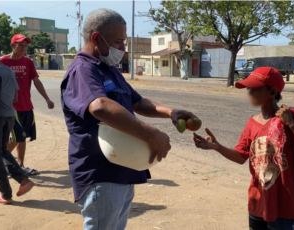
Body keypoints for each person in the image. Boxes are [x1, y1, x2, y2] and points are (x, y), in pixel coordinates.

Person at [61, 9, 199, 230]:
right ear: (96, 38)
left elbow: (136, 102)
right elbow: (100, 106)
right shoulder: (83, 70)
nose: (123, 49)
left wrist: (169, 111)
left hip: (122, 168)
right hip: (100, 173)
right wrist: (150, 134)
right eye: (118, 42)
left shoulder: (109, 70)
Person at [193, 67, 294, 230]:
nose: (250, 93)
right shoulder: (252, 123)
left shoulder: (290, 119)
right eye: (248, 89)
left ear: (272, 92)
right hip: (257, 200)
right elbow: (241, 157)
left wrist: (291, 124)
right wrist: (217, 147)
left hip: (284, 204)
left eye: (255, 89)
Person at [0, 39, 35, 204]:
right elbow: (15, 96)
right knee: (2, 151)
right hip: (10, 115)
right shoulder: (9, 71)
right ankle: (23, 180)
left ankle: (6, 194)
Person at [0, 34, 55, 176]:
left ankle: (20, 165)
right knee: (18, 137)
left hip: (27, 105)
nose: (24, 48)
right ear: (12, 46)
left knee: (22, 137)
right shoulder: (2, 62)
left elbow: (36, 81)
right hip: (11, 107)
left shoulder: (28, 62)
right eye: (20, 45)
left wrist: (47, 99)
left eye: (26, 46)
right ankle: (0, 158)